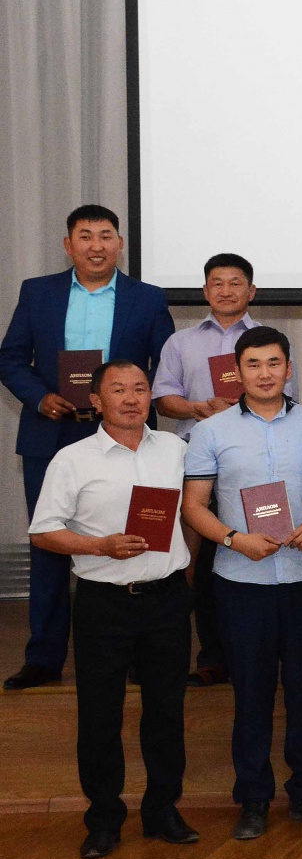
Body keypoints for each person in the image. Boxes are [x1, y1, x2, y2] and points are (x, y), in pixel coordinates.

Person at [0, 205, 175, 691]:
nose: (96, 246)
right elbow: (11, 357)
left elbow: (164, 366)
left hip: (126, 436)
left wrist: (134, 401)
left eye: (105, 235)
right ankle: (44, 657)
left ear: (120, 244)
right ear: (68, 244)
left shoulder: (148, 297)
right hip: (52, 432)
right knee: (50, 543)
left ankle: (137, 653)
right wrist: (40, 397)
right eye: (85, 236)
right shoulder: (38, 292)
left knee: (137, 535)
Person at [27, 360, 196, 859]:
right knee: (100, 715)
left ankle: (162, 811)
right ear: (96, 401)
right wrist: (99, 546)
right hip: (104, 602)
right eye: (118, 390)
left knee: (166, 711)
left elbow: (195, 511)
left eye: (140, 388)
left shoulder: (177, 449)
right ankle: (103, 819)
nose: (131, 398)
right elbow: (43, 531)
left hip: (166, 600)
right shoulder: (73, 459)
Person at [180, 326, 302, 840]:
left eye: (274, 363)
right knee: (250, 694)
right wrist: (233, 539)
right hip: (240, 581)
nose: (265, 373)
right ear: (237, 372)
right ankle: (253, 799)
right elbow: (193, 506)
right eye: (253, 364)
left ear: (289, 368)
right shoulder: (210, 431)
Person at [155, 253, 292, 688]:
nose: (226, 291)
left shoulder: (268, 341)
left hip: (254, 458)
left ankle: (262, 652)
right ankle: (212, 655)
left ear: (252, 291)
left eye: (236, 283)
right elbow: (163, 399)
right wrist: (199, 408)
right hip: (195, 455)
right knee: (198, 561)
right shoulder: (181, 342)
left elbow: (286, 397)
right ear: (205, 291)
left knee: (256, 548)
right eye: (217, 283)